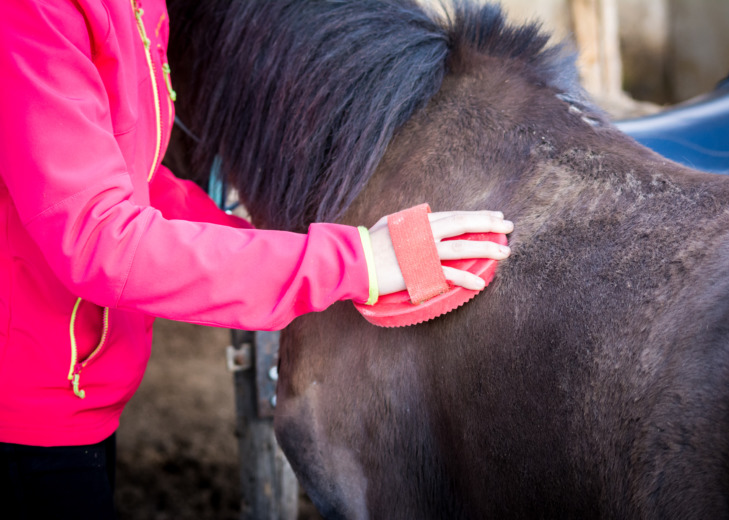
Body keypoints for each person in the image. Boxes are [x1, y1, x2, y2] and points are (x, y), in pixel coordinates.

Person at [0, 0, 513, 518]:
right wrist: (351, 262)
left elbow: (135, 181)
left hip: (82, 389)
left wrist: (273, 244)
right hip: (25, 406)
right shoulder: (33, 13)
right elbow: (100, 239)